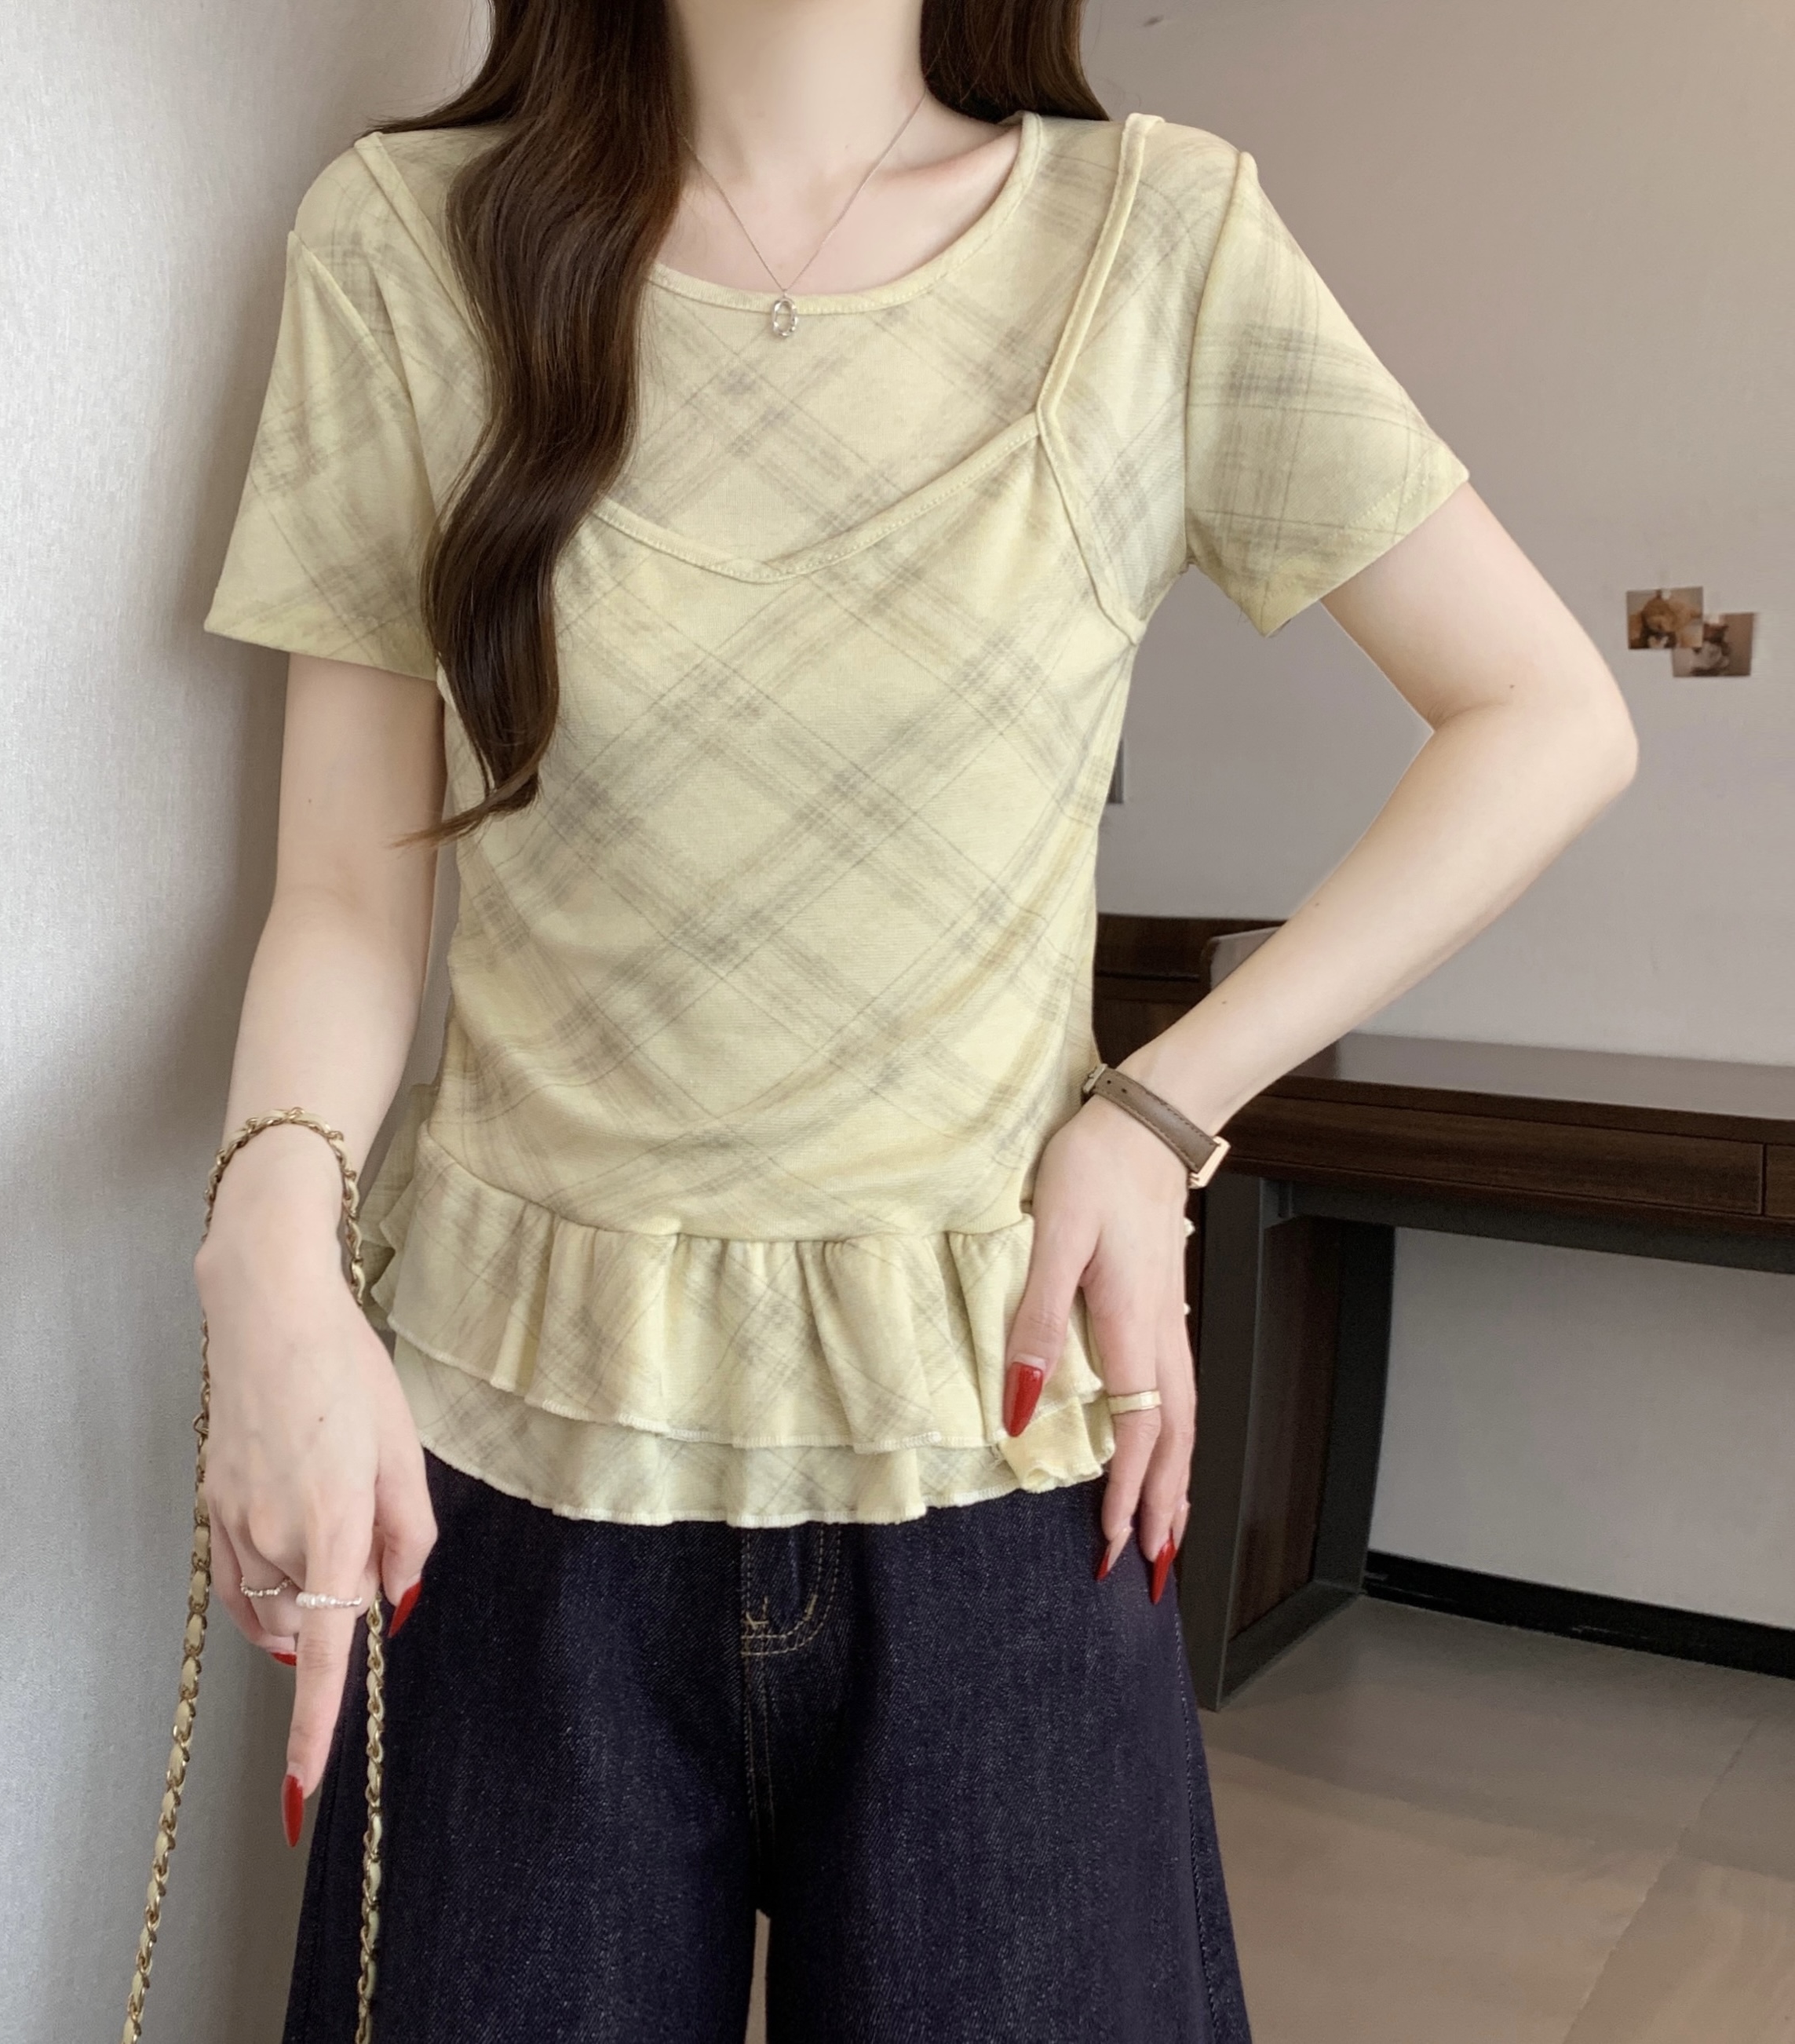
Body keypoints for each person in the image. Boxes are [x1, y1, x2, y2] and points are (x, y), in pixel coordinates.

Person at [194, 2, 1638, 2037]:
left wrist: (1162, 1111)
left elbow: (1545, 717)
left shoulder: (1158, 237)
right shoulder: (406, 242)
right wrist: (267, 1254)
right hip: (507, 1469)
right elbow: (348, 893)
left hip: (998, 1455)